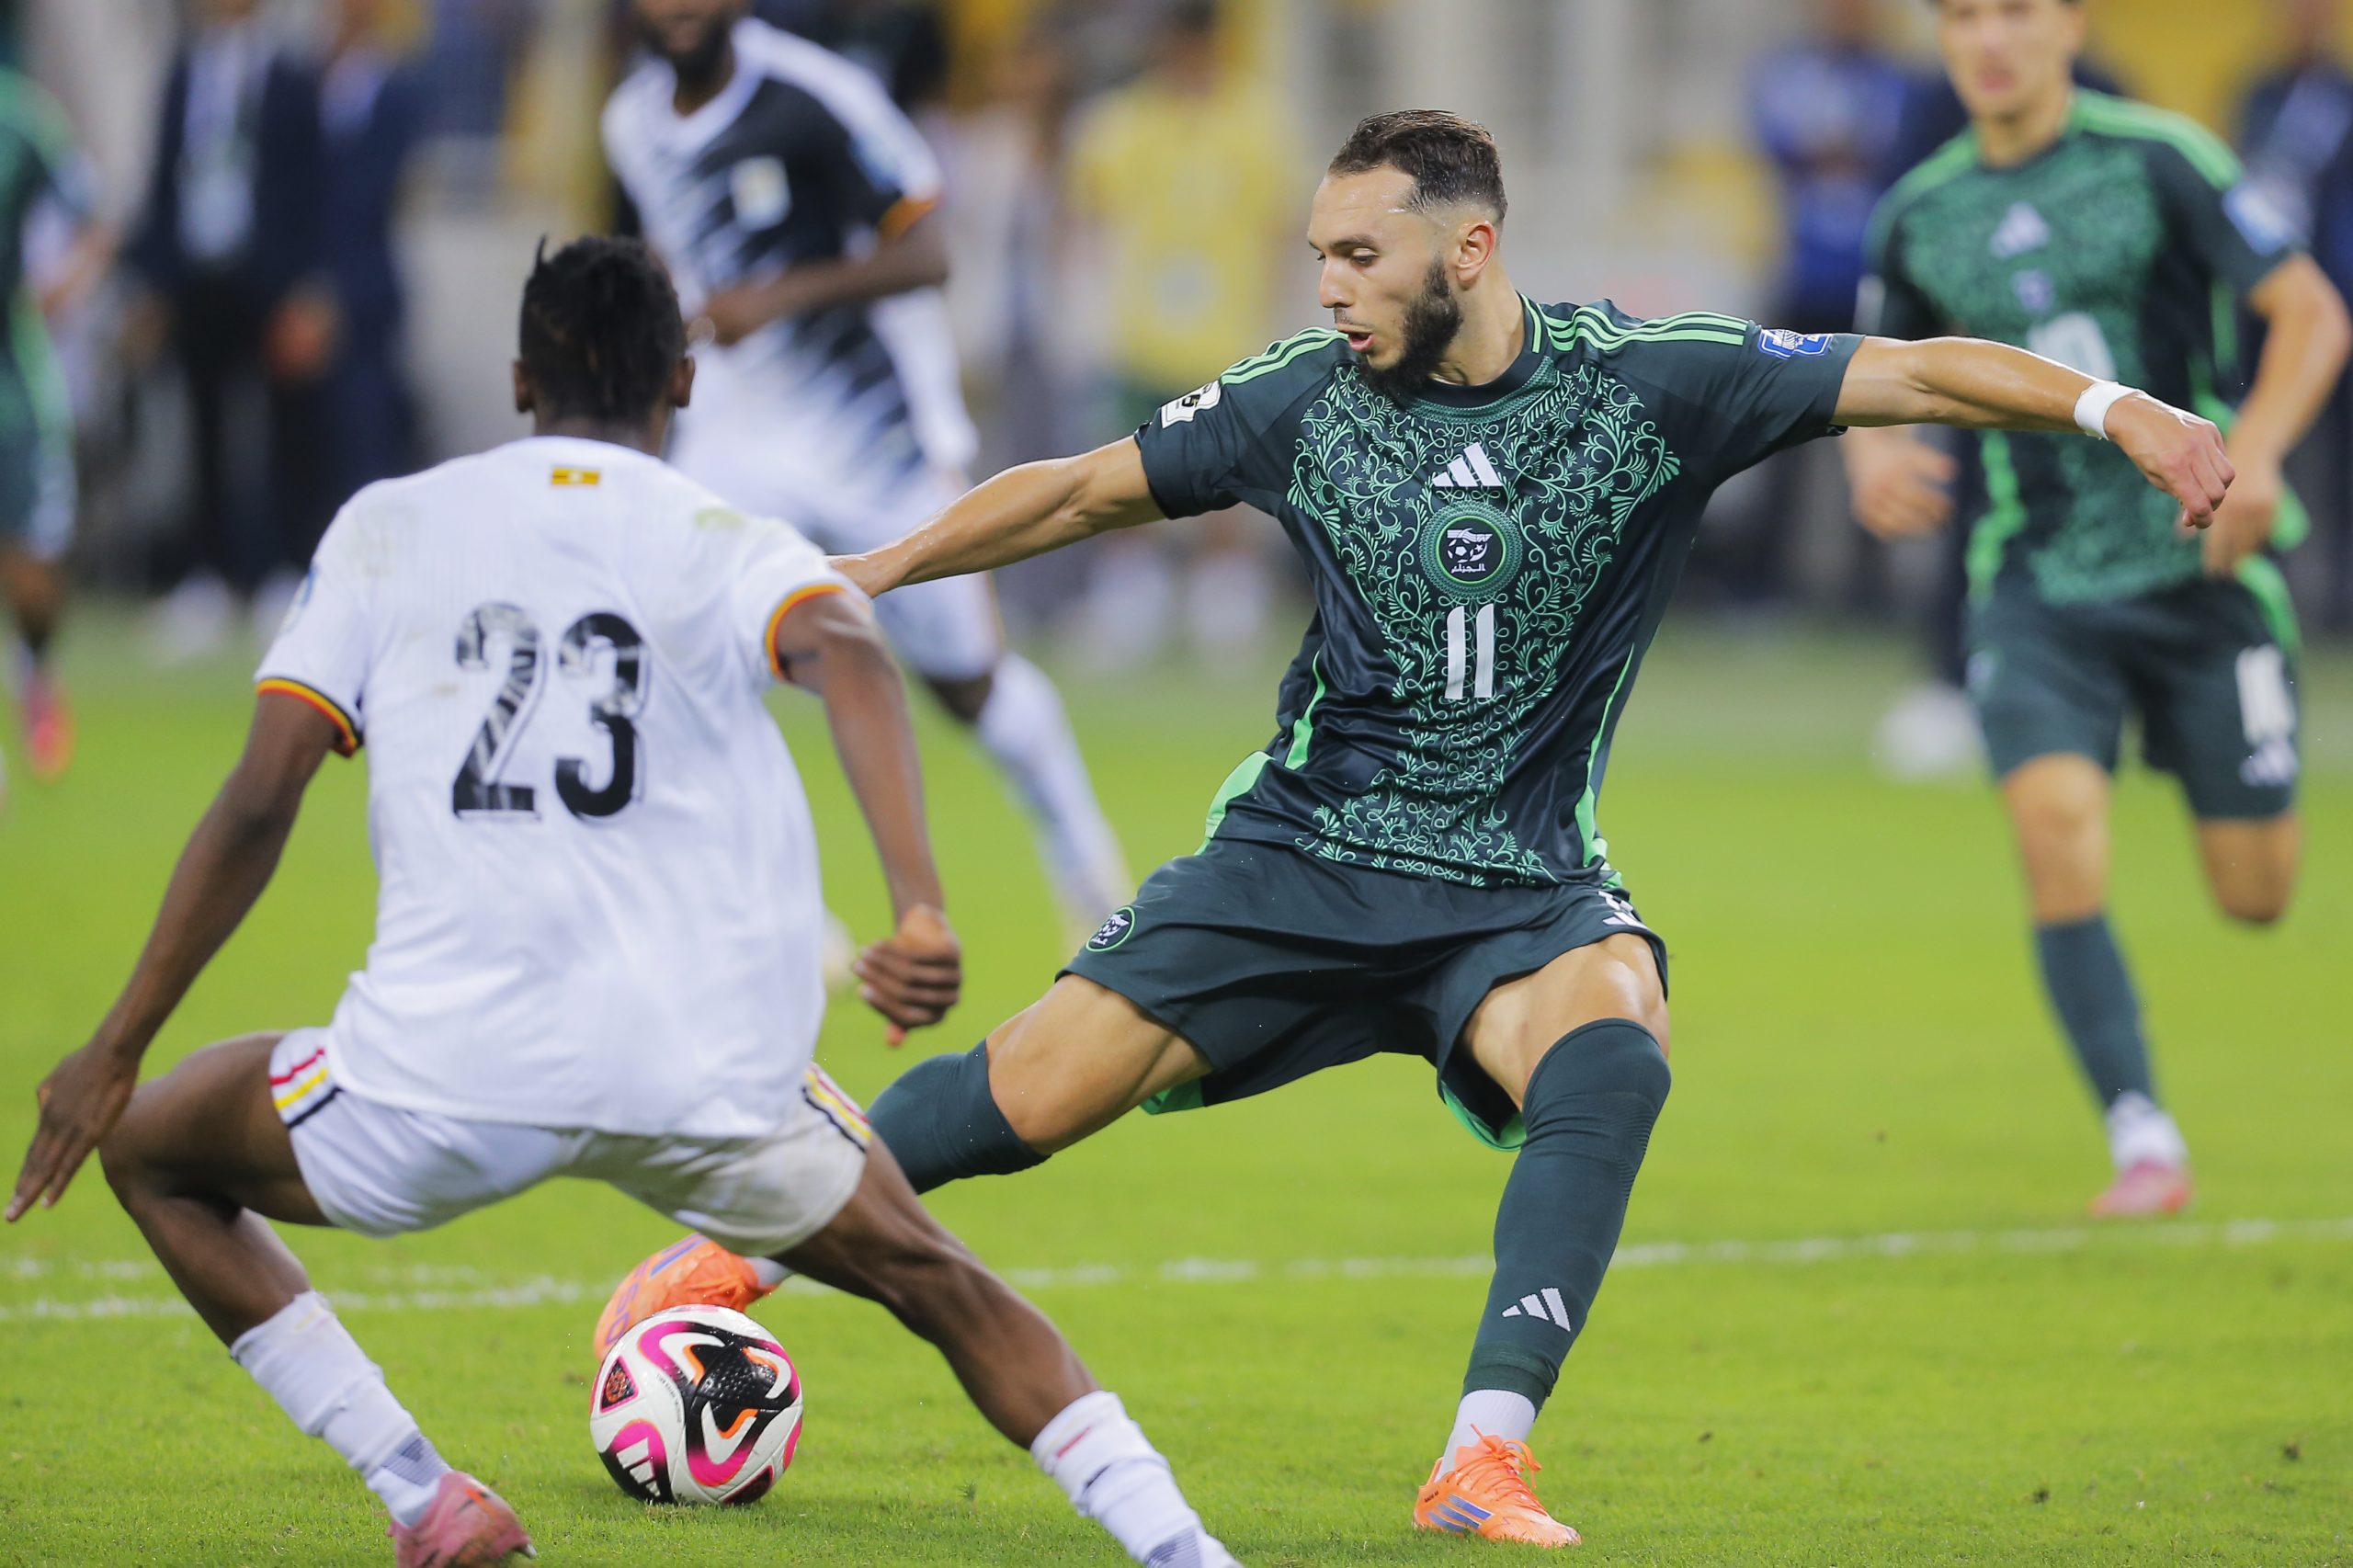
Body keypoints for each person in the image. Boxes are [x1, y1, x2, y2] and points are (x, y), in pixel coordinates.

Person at [597, 109, 2241, 1547]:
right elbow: (1082, 487)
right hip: (1299, 859)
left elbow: (1923, 372)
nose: (1328, 285)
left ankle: (1483, 1454)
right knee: (1023, 1097)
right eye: (1320, 254)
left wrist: (2124, 413)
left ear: (1470, 249)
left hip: (1519, 888)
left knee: (1616, 1042)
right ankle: (731, 1259)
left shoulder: (1651, 384)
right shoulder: (1302, 398)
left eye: (1360, 255)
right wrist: (870, 571)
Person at [5, 237, 1239, 1568]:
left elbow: (260, 798)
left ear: (519, 378)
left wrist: (116, 1045)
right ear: (684, 381)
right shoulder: (727, 541)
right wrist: (919, 904)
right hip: (698, 1064)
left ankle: (424, 1494)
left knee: (153, 1149)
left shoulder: (390, 525)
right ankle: (1182, 1551)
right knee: (942, 1284)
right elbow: (850, 651)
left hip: (442, 1062)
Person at [1845, 0, 2349, 1215]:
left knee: (2255, 893)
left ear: (2071, 24)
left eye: (2016, 11)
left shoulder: (2160, 159)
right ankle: (2142, 1135)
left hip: (2200, 575)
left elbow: (2311, 312)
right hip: (2033, 584)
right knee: (2056, 827)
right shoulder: (1918, 212)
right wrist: (1870, 458)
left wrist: (2256, 455)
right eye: (1963, 15)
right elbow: (1870, 371)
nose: (1989, 39)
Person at [604, 0, 1130, 937]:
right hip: (733, 432)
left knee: (969, 684)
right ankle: (782, 915)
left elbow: (927, 252)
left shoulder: (818, 95)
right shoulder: (629, 124)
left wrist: (778, 296)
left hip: (869, 431)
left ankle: (1084, 861)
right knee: (688, 658)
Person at [1064, 0, 1302, 669]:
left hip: (1227, 334)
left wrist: (1278, 316)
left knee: (1228, 478)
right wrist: (1087, 309)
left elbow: (1282, 226)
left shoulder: (1259, 120)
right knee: (1129, 471)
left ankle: (1223, 615)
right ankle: (1128, 609)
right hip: (1140, 333)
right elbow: (1088, 217)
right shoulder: (1119, 121)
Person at [128, 0, 335, 658]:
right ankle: (207, 575)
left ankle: (281, 570)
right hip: (199, 273)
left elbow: (312, 185)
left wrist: (308, 285)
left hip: (269, 276)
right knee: (202, 429)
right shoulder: (184, 71)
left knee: (283, 428)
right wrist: (153, 284)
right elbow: (163, 179)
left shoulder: (292, 76)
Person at [0, 65, 108, 804]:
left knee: (33, 572)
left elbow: (92, 214)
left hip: (14, 383)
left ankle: (36, 670)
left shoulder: (21, 121)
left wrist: (66, 282)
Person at [2239, 0, 2353, 625]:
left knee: (2342, 459)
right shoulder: (2258, 93)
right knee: (2264, 437)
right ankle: (2266, 580)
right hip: (2268, 302)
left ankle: (2341, 600)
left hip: (2339, 296)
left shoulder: (2342, 97)